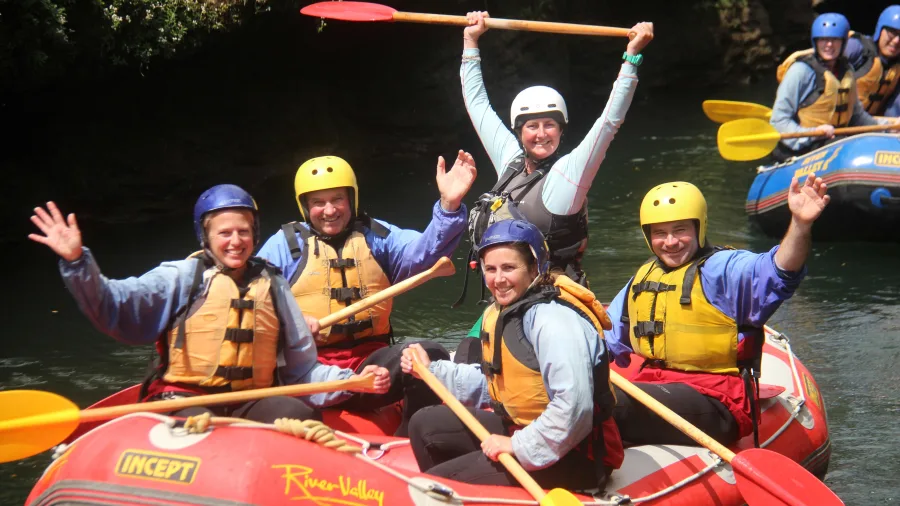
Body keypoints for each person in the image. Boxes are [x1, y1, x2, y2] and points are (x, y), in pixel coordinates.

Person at [27, 185, 389, 423]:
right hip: (184, 399)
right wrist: (77, 263)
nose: (236, 241)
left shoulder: (273, 284)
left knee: (298, 414)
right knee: (204, 432)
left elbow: (302, 370)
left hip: (254, 399)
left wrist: (354, 381)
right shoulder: (181, 276)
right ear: (206, 237)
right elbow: (114, 307)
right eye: (225, 233)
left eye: (244, 231)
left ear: (255, 234)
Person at [258, 153, 475, 435]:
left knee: (429, 353)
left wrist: (449, 205)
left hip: (373, 368)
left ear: (352, 199)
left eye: (337, 199)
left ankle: (408, 438)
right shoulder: (284, 246)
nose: (329, 210)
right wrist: (290, 323)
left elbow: (425, 253)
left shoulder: (377, 237)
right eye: (318, 202)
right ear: (304, 206)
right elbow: (256, 303)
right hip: (311, 370)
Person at [603, 176, 829, 448]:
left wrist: (801, 225)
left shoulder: (723, 269)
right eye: (660, 233)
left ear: (699, 227)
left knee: (609, 402)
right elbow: (604, 341)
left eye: (680, 230)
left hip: (716, 399)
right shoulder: (642, 279)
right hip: (655, 386)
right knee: (581, 396)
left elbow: (779, 270)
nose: (671, 242)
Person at [400, 220, 624, 491]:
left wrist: (517, 446)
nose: (498, 279)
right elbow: (497, 381)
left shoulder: (553, 321)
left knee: (435, 485)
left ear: (534, 268)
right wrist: (432, 370)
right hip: (522, 427)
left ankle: (454, 489)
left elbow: (575, 407)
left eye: (509, 268)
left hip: (577, 453)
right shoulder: (501, 313)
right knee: (426, 423)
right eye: (490, 269)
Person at [460, 11, 654, 288]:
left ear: (562, 131)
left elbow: (609, 122)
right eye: (531, 126)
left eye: (549, 125)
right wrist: (470, 42)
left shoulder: (568, 176)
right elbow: (477, 106)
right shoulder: (511, 163)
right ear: (519, 132)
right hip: (505, 293)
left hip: (553, 293)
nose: (540, 134)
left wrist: (631, 58)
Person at [771, 13, 889, 161]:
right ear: (816, 42)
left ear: (844, 42)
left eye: (834, 40)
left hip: (835, 143)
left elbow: (856, 115)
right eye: (823, 40)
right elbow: (779, 120)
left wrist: (884, 132)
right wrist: (814, 132)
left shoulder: (847, 71)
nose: (828, 45)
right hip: (803, 149)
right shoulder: (801, 71)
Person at [846, 5, 900, 117]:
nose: (896, 41)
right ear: (880, 30)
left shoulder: (897, 68)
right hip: (832, 125)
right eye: (892, 32)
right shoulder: (856, 48)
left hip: (870, 126)